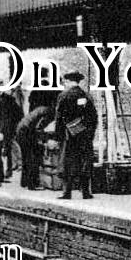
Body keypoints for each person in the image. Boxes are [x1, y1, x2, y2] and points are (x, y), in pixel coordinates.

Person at [52, 71, 99, 199]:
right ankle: (86, 192)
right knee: (85, 161)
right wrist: (89, 133)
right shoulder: (86, 96)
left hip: (69, 136)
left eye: (65, 82)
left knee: (68, 163)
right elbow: (94, 117)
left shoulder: (63, 96)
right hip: (85, 136)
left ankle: (67, 193)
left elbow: (59, 118)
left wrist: (58, 136)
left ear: (68, 81)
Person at [15, 105, 53, 190]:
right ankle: (32, 184)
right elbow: (38, 127)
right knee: (32, 158)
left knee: (25, 158)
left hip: (20, 130)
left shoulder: (41, 109)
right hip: (26, 132)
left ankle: (24, 182)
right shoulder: (49, 113)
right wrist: (43, 138)